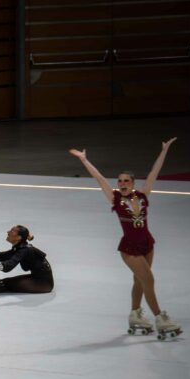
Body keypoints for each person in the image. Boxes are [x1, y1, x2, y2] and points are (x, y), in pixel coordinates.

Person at [70, 140, 182, 337]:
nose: (121, 184)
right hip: (129, 248)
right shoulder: (115, 199)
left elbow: (154, 172)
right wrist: (84, 160)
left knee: (140, 281)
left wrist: (164, 150)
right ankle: (160, 318)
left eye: (126, 181)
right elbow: (99, 178)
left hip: (148, 244)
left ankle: (135, 314)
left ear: (133, 183)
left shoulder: (143, 195)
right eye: (119, 181)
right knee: (149, 280)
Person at [0, 225, 54, 294]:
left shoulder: (24, 250)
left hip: (43, 283)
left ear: (19, 237)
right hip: (38, 278)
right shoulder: (21, 247)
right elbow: (7, 255)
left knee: (7, 284)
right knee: (7, 282)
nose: (8, 232)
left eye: (12, 231)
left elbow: (11, 263)